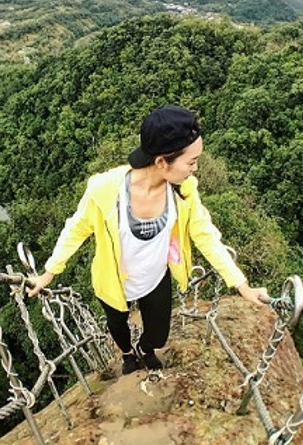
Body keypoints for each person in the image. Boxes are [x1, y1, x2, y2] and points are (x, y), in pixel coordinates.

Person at [27, 104, 268, 374]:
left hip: (156, 277)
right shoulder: (105, 190)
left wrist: (242, 285)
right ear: (162, 161)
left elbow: (205, 234)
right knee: (118, 329)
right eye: (191, 161)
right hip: (114, 281)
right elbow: (76, 229)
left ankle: (145, 349)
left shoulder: (184, 191)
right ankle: (128, 354)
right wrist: (48, 273)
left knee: (159, 334)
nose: (196, 168)